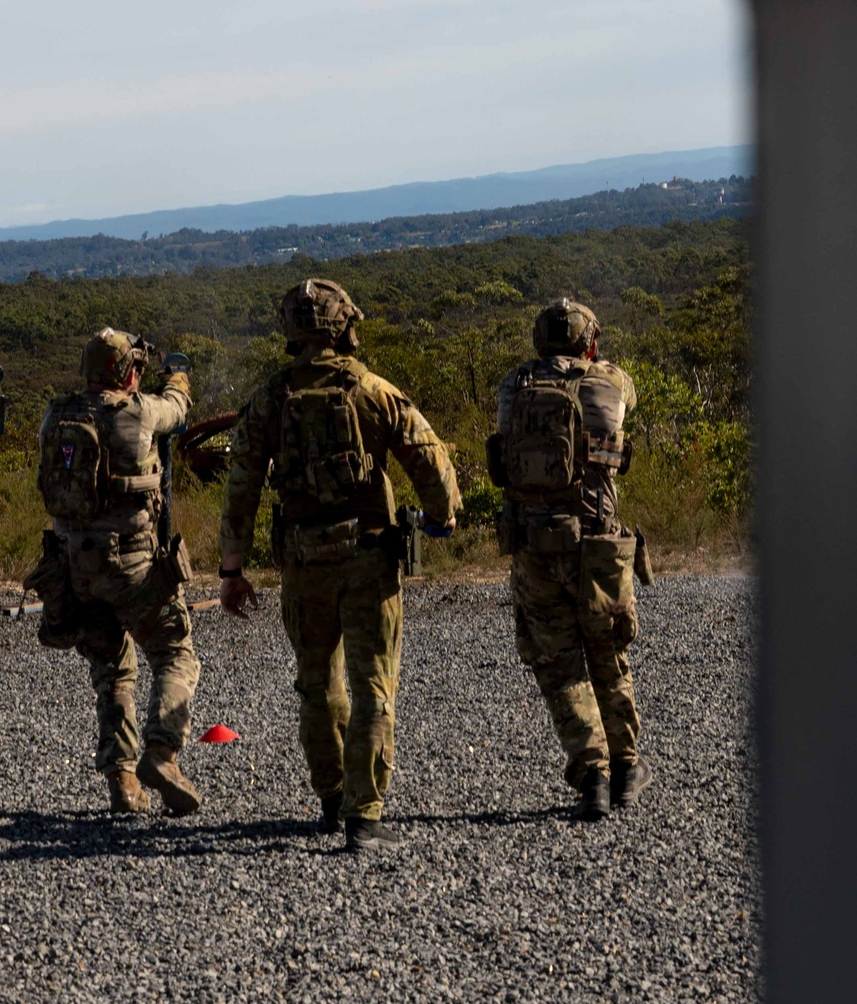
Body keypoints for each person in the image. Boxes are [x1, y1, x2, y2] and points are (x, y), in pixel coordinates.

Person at [218, 278, 462, 853]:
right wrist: (442, 514)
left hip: (303, 564)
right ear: (344, 325)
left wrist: (231, 570)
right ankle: (364, 815)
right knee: (373, 684)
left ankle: (329, 798)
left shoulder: (270, 398)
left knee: (316, 684)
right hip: (368, 562)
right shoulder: (373, 390)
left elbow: (241, 487)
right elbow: (430, 462)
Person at [26, 327, 203, 816]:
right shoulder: (139, 412)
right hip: (132, 564)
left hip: (72, 566)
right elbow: (177, 410)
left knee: (112, 670)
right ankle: (163, 752)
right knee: (175, 655)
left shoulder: (54, 416)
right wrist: (179, 378)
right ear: (128, 372)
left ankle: (123, 783)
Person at [487, 297, 652, 821]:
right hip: (600, 549)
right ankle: (626, 767)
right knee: (608, 654)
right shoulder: (610, 381)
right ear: (591, 343)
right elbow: (628, 396)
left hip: (535, 547)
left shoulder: (514, 387)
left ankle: (593, 774)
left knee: (560, 667)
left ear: (538, 343)